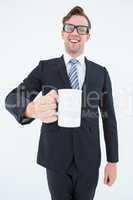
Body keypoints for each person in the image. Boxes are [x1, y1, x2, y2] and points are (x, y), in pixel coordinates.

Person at [5, 6, 119, 200]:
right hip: (55, 157)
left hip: (89, 159)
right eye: (69, 27)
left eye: (81, 29)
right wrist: (31, 109)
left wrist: (112, 161)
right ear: (62, 33)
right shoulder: (45, 68)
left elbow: (110, 120)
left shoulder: (101, 73)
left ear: (88, 36)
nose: (75, 33)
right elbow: (12, 98)